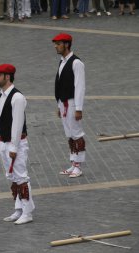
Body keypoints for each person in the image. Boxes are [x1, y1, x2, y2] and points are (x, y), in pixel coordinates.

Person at [0, 63, 35, 225]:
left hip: (14, 143)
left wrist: (14, 147)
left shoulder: (17, 97)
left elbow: (17, 124)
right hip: (3, 142)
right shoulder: (0, 95)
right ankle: (19, 208)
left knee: (21, 177)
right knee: (13, 177)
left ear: (7, 77)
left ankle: (28, 211)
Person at [52, 33, 86, 178]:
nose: (56, 46)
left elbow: (79, 86)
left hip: (72, 103)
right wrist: (58, 104)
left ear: (66, 44)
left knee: (77, 134)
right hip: (63, 103)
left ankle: (78, 165)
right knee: (70, 134)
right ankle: (73, 163)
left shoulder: (76, 63)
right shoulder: (62, 61)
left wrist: (78, 108)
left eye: (58, 43)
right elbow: (60, 83)